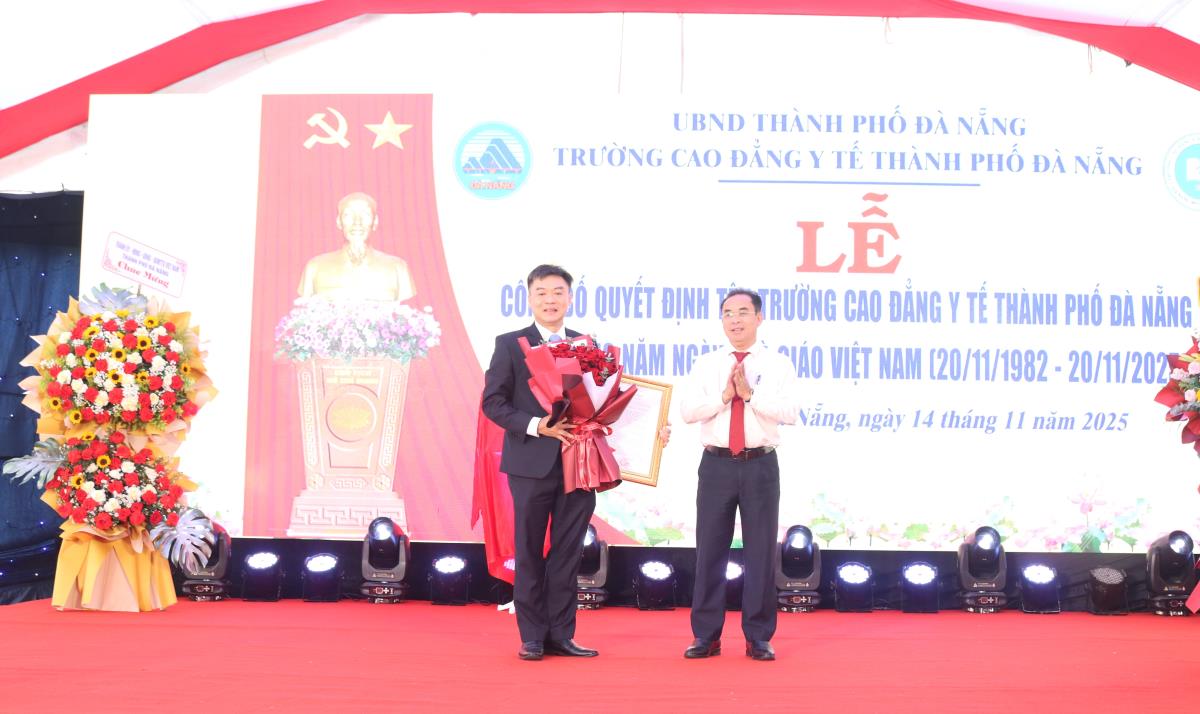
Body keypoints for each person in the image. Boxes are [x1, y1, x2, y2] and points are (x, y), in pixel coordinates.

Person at [481, 264, 598, 661]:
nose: (551, 300)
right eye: (542, 293)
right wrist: (536, 426)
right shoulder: (510, 344)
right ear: (530, 298)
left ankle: (562, 635)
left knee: (568, 553)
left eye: (558, 292)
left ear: (570, 298)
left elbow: (601, 403)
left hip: (579, 463)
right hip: (530, 464)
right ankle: (532, 636)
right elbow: (493, 403)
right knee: (529, 550)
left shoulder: (587, 346)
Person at [678, 288, 799, 662]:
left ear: (759, 318)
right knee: (709, 551)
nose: (735, 320)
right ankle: (706, 636)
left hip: (760, 464)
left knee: (760, 552)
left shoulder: (778, 364)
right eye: (728, 313)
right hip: (716, 464)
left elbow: (790, 412)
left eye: (743, 312)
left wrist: (749, 396)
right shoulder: (706, 364)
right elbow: (688, 411)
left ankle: (758, 637)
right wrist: (724, 397)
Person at [297, 191, 416, 301]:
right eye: (348, 215)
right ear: (339, 222)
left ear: (375, 222)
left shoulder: (398, 268)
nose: (357, 222)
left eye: (365, 215)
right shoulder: (315, 267)